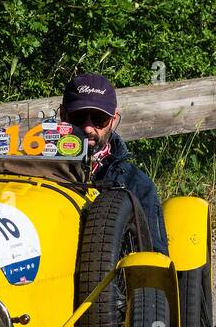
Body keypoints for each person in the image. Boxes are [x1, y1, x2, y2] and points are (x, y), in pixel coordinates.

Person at [61, 72, 168, 254]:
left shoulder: (136, 184)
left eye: (98, 119)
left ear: (113, 120)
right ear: (63, 115)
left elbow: (154, 259)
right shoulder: (34, 170)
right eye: (79, 117)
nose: (87, 128)